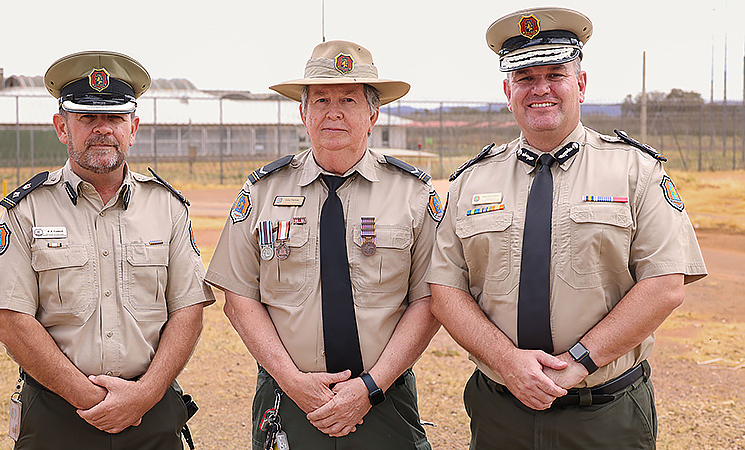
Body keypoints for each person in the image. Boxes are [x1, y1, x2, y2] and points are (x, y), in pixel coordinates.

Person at [426, 7, 707, 449]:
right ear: (507, 90)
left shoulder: (636, 171)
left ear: (580, 83)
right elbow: (445, 291)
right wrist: (509, 363)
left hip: (604, 414)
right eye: (524, 78)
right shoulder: (469, 182)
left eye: (554, 73)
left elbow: (666, 283)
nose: (540, 89)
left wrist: (579, 362)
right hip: (500, 412)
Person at [204, 40, 441, 450]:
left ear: (373, 114)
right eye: (321, 99)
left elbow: (431, 300)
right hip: (288, 398)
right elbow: (239, 297)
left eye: (348, 99)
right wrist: (293, 382)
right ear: (303, 113)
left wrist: (371, 387)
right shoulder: (262, 192)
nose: (333, 112)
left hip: (384, 399)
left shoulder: (413, 195)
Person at [0, 50, 214, 450]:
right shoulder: (27, 210)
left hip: (149, 414)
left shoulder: (168, 207)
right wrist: (93, 401)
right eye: (87, 117)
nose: (103, 129)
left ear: (133, 128)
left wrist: (143, 395)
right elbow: (10, 320)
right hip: (56, 416)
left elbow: (188, 310)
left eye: (115, 117)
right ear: (62, 128)